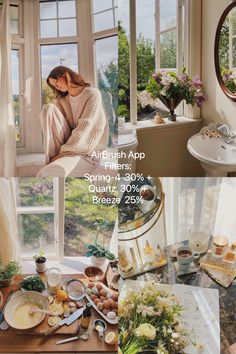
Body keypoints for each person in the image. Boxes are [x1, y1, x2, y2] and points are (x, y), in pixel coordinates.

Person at [39, 66, 109, 173]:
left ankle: (60, 156)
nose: (56, 86)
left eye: (56, 81)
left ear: (65, 75)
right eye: (53, 86)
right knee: (48, 109)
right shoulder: (63, 101)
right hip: (68, 143)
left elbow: (86, 126)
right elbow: (55, 126)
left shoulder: (92, 94)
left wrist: (61, 154)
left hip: (87, 146)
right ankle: (54, 156)